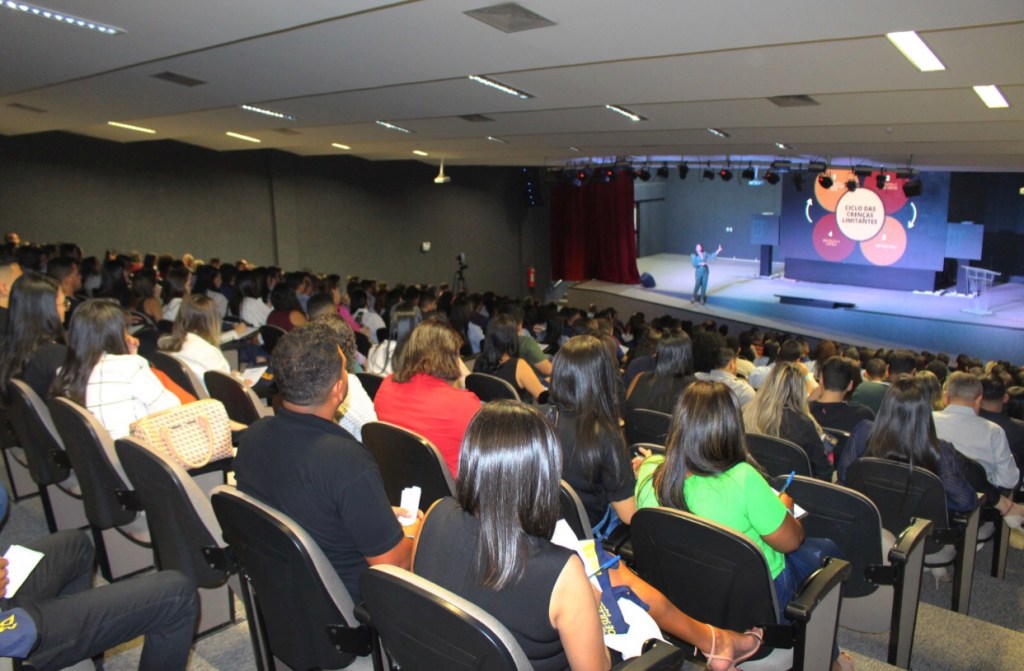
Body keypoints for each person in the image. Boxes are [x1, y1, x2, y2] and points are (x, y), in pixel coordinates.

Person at [413, 401, 761, 671]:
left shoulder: (435, 514)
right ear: (542, 478)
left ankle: (716, 640)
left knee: (616, 574)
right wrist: (588, 608)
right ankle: (717, 642)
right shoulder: (560, 575)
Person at [635, 381, 848, 670]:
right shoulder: (745, 480)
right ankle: (829, 656)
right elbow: (792, 541)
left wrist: (648, 463)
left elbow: (656, 465)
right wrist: (784, 508)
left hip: (681, 606)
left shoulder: (650, 475)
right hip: (752, 615)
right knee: (822, 552)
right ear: (732, 428)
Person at [233, 322, 418, 603]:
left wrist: (375, 513)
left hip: (283, 591)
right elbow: (395, 565)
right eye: (345, 367)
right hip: (347, 605)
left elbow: (308, 507)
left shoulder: (253, 437)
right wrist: (421, 531)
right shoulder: (347, 462)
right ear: (338, 388)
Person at [0, 488, 198, 669]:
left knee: (75, 545)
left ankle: (79, 654)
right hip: (9, 638)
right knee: (176, 596)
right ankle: (55, 646)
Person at [836, 377, 1024, 527]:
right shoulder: (939, 450)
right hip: (919, 535)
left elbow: (845, 477)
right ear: (926, 411)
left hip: (866, 520)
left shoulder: (863, 431)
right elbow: (965, 502)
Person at [52, 300, 180, 440]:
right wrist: (132, 359)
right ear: (115, 334)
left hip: (103, 456)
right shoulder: (129, 367)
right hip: (139, 454)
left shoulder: (64, 373)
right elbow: (174, 411)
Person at [373, 317, 481, 476]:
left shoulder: (386, 387)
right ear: (452, 358)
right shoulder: (465, 405)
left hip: (395, 487)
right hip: (449, 496)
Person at [549, 335, 635, 535]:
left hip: (548, 523)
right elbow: (629, 515)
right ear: (602, 378)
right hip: (588, 529)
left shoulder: (542, 417)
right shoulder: (605, 435)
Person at [744, 362, 834, 481]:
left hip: (749, 485)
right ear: (801, 391)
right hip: (790, 494)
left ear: (768, 384)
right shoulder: (804, 425)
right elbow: (824, 472)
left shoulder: (745, 413)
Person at [932, 372, 1019, 492]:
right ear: (979, 400)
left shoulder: (926, 419)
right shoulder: (994, 432)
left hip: (926, 496)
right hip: (974, 504)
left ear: (945, 397)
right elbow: (1009, 481)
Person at [0, 272, 68, 399]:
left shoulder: (6, 347)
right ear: (47, 310)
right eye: (62, 304)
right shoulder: (57, 356)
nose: (65, 309)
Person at [158, 294, 237, 392]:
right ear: (212, 322)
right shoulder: (210, 353)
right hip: (210, 403)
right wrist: (238, 381)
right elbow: (227, 390)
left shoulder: (166, 345)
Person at [474, 314, 547, 402]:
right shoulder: (519, 366)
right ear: (513, 338)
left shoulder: (479, 361)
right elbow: (542, 398)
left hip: (486, 414)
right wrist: (546, 383)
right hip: (515, 415)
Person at [625, 332, 695, 414]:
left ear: (658, 351)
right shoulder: (694, 390)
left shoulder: (640, 378)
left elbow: (625, 410)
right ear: (687, 354)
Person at [809, 356, 875, 433]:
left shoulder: (803, 412)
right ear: (850, 385)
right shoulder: (863, 416)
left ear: (821, 380)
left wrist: (809, 401)